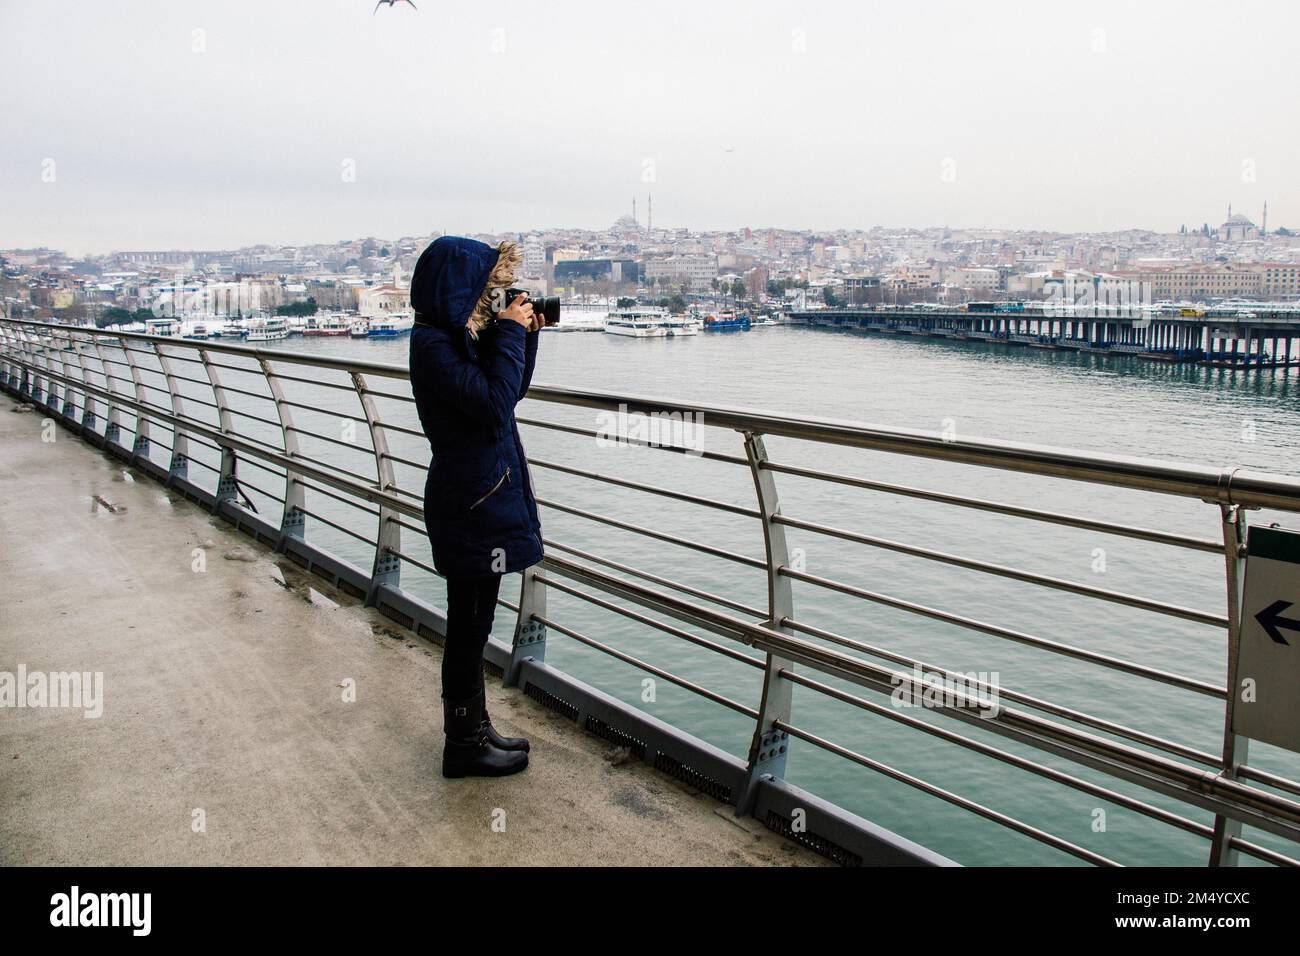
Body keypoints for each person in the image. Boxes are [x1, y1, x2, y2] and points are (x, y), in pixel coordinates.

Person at [408, 236, 544, 778]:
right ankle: (462, 744)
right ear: (459, 288)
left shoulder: (451, 338)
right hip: (470, 505)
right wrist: (507, 330)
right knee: (468, 628)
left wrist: (523, 338)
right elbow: (493, 404)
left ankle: (474, 729)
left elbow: (507, 393)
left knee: (476, 624)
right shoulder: (435, 346)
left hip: (478, 497)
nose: (492, 299)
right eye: (487, 289)